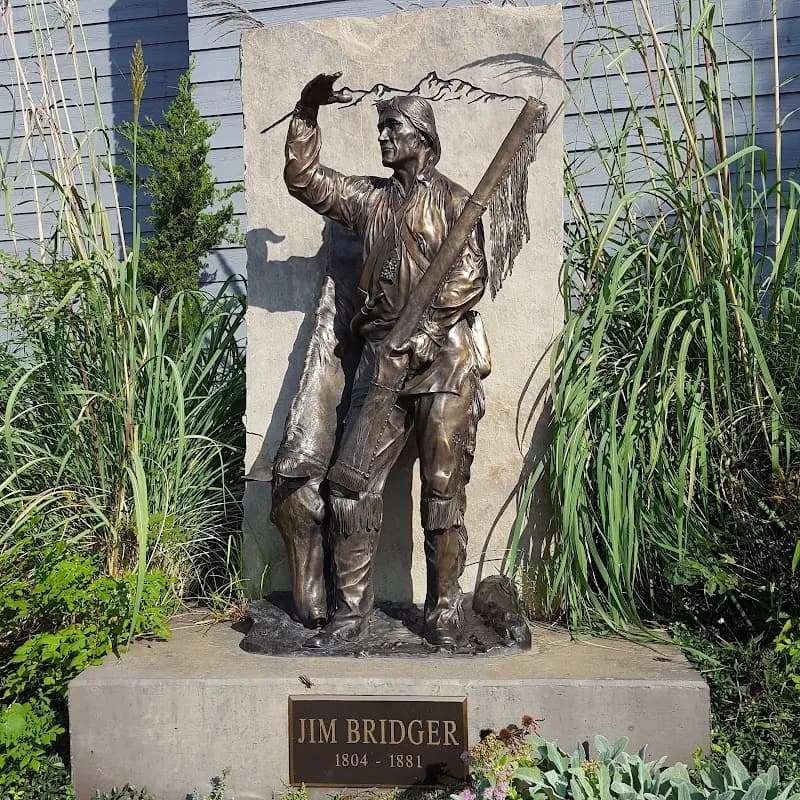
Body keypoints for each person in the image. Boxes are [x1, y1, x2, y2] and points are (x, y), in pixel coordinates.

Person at [278, 72, 489, 648]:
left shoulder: (455, 201)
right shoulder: (368, 199)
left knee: (443, 490)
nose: (383, 137)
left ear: (422, 136)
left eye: (393, 127)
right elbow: (305, 179)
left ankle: (444, 612)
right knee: (351, 487)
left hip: (444, 363)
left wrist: (428, 328)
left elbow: (471, 273)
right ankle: (351, 615)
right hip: (381, 362)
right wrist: (306, 112)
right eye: (380, 129)